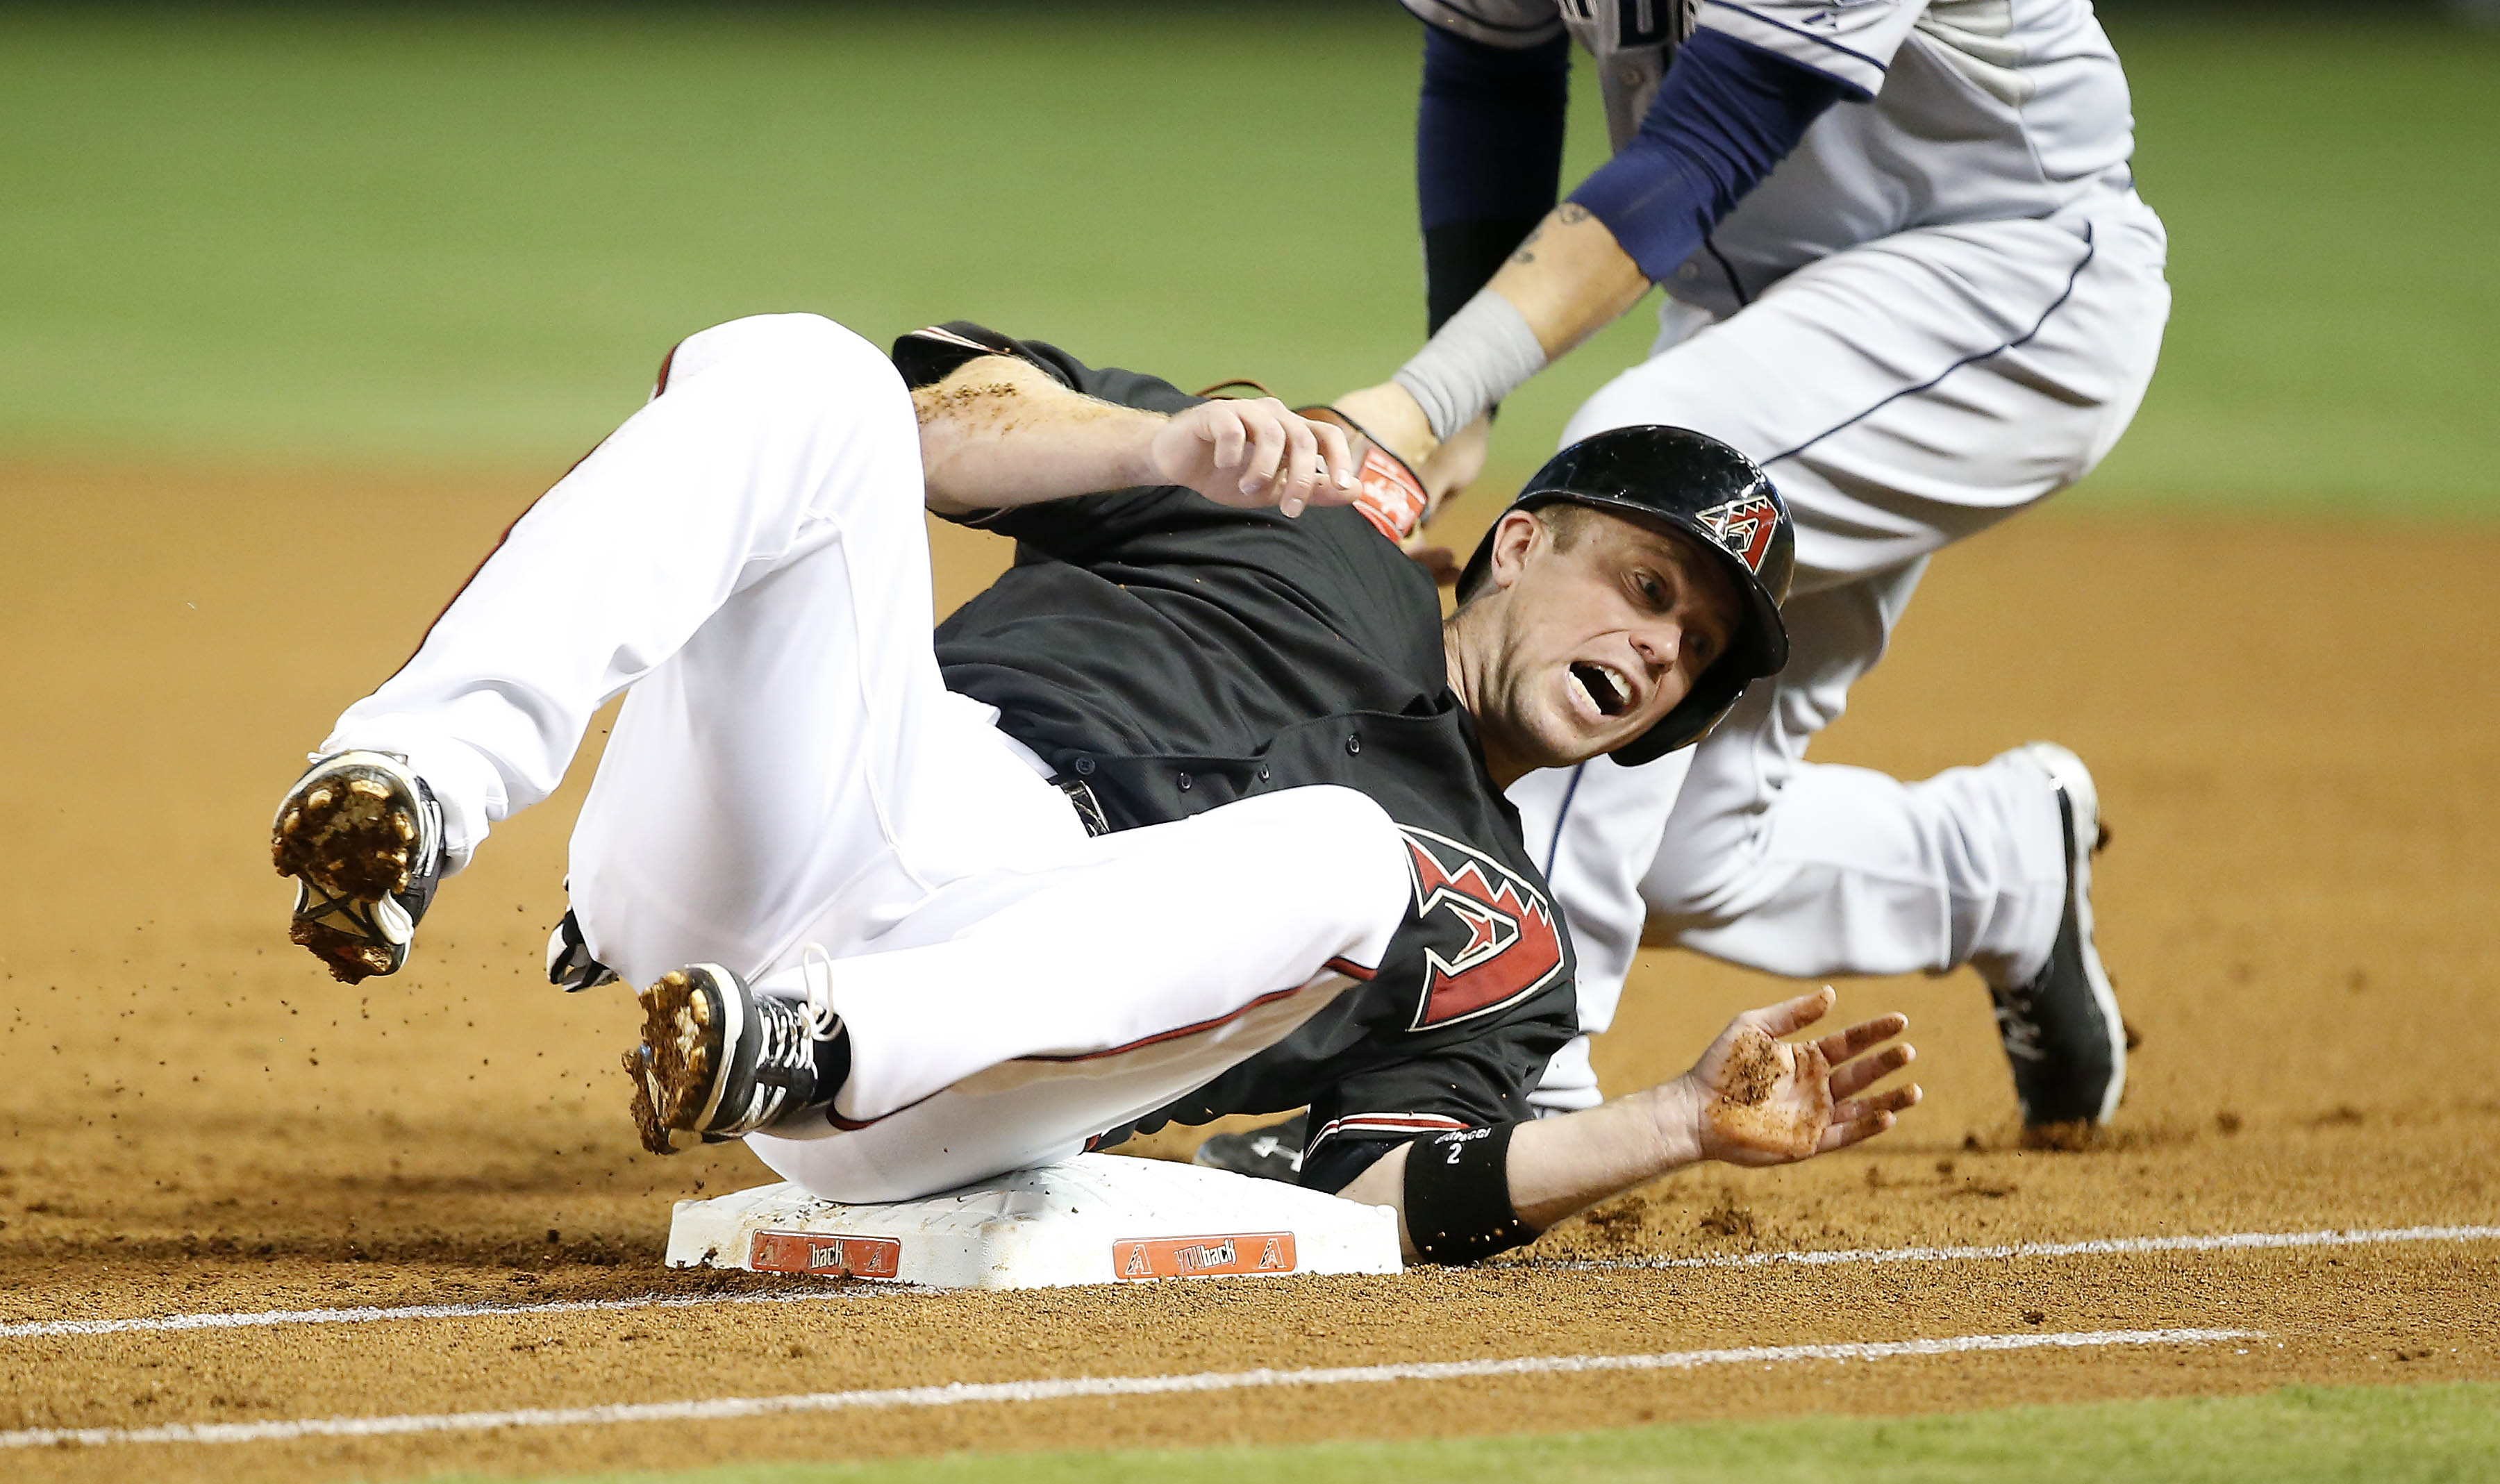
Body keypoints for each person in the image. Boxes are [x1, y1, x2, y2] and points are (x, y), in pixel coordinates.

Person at [269, 311, 1915, 1260]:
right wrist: (1153, 447)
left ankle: (822, 1040)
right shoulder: (1293, 504)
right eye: (1646, 586)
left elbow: (1366, 1193)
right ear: (1525, 540)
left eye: (1693, 647)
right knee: (799, 367)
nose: (1658, 647)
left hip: (944, 1081)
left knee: (1360, 856)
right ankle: (415, 786)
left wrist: (1673, 1127)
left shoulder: (1504, 935)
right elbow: (927, 429)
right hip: (821, 815)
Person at [1292, 0, 2165, 1151]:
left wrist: (1424, 395)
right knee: (1685, 848)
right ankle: (1999, 866)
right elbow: (1489, 68)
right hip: (1752, 305)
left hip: (2010, 272)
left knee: (1635, 513)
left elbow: (1711, 138)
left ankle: (1498, 1081)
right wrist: (1466, 405)